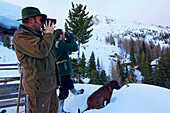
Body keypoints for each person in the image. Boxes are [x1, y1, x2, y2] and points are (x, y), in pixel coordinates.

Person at [12, 7, 59, 113]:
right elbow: (41, 51)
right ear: (31, 20)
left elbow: (50, 48)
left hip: (49, 85)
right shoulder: (21, 36)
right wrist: (48, 35)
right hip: (39, 89)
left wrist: (48, 35)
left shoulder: (35, 35)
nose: (42, 23)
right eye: (40, 20)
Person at [52, 29, 84, 113]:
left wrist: (67, 40)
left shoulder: (55, 42)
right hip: (63, 69)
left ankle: (76, 92)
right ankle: (59, 110)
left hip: (60, 69)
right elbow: (74, 47)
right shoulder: (60, 44)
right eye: (63, 34)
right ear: (61, 36)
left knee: (68, 82)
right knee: (64, 90)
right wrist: (71, 39)